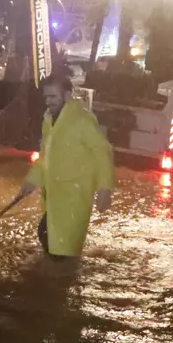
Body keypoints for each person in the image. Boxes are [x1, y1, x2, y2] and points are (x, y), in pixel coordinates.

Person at [17, 73, 115, 260]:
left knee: (62, 248)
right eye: (46, 96)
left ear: (68, 95)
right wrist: (30, 182)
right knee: (50, 239)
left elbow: (103, 152)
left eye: (53, 96)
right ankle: (58, 281)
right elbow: (46, 156)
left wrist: (105, 189)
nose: (48, 101)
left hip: (74, 197)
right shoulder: (49, 120)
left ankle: (64, 283)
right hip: (55, 196)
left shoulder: (82, 119)